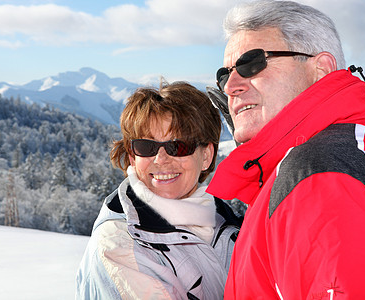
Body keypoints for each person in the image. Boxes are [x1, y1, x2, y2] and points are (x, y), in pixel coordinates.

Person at [206, 0, 365, 298]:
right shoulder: (359, 146)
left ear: (321, 69)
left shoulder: (318, 175)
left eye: (252, 63)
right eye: (225, 74)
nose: (231, 85)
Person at [75, 81, 242, 299]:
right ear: (133, 157)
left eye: (178, 146)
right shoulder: (119, 244)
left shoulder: (226, 223)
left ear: (206, 156)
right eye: (146, 146)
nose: (160, 159)